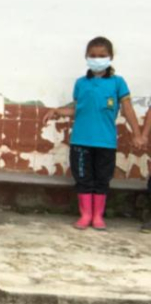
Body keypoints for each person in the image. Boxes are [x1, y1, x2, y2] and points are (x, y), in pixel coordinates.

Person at [44, 36, 144, 230]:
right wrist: (58, 111)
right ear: (86, 57)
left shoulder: (118, 83)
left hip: (105, 142)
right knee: (83, 179)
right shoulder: (81, 83)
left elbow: (128, 109)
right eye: (93, 55)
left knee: (102, 179)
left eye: (102, 55)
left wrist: (137, 133)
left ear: (110, 58)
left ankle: (98, 216)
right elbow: (77, 108)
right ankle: (85, 215)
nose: (97, 59)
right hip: (81, 141)